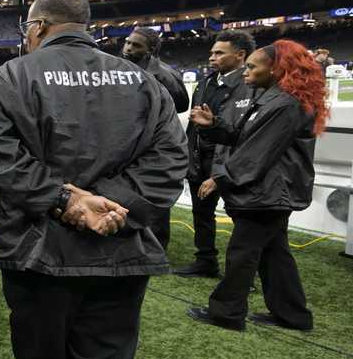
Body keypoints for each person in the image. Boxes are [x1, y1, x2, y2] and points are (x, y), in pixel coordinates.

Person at [0, 0, 188, 359]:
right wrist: (107, 206)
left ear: (38, 26)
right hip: (120, 250)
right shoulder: (143, 80)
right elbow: (170, 163)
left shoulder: (11, 76)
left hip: (38, 255)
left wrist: (68, 202)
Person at [186, 39, 326, 332]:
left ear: (276, 69)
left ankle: (226, 312)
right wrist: (213, 126)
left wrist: (219, 179)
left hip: (269, 191)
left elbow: (256, 152)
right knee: (275, 254)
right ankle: (293, 315)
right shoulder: (274, 99)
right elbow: (245, 139)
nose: (246, 72)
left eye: (252, 66)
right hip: (271, 190)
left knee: (243, 252)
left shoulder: (284, 104)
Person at [174, 30, 255, 278]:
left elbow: (246, 133)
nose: (212, 57)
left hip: (234, 164)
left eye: (219, 53)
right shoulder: (207, 82)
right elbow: (194, 125)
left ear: (240, 55)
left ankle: (243, 274)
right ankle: (205, 261)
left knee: (243, 221)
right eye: (211, 52)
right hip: (201, 159)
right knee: (202, 214)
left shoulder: (252, 84)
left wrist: (222, 172)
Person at [121, 26, 191, 249]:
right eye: (128, 42)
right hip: (131, 140)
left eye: (136, 45)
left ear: (150, 50)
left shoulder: (162, 74)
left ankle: (156, 247)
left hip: (152, 142)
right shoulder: (124, 66)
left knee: (152, 195)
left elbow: (181, 104)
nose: (129, 47)